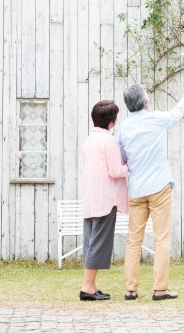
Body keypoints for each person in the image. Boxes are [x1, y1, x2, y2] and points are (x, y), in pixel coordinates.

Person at [117, 84, 184, 301]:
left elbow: (122, 157)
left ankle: (130, 289)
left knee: (134, 240)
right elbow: (176, 113)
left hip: (137, 189)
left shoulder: (123, 129)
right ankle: (160, 289)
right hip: (159, 186)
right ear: (145, 103)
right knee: (162, 238)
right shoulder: (156, 119)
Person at [79, 100, 129, 301]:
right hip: (106, 198)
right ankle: (88, 287)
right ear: (112, 122)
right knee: (99, 243)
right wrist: (131, 165)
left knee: (91, 242)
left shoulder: (89, 140)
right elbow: (116, 170)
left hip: (91, 197)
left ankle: (91, 285)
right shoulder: (109, 141)